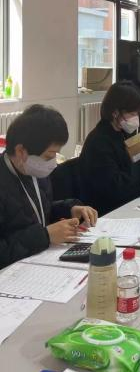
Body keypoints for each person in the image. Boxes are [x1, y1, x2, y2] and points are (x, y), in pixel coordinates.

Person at [0, 105, 98, 269]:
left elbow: (36, 212)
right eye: (48, 156)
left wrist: (69, 209)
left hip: (39, 259)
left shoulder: (33, 170)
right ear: (21, 151)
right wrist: (45, 236)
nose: (53, 164)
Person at [79, 81, 140, 216]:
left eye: (137, 113)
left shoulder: (120, 132)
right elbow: (116, 186)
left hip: (130, 201)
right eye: (131, 113)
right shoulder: (99, 142)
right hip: (108, 210)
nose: (136, 118)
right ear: (115, 112)